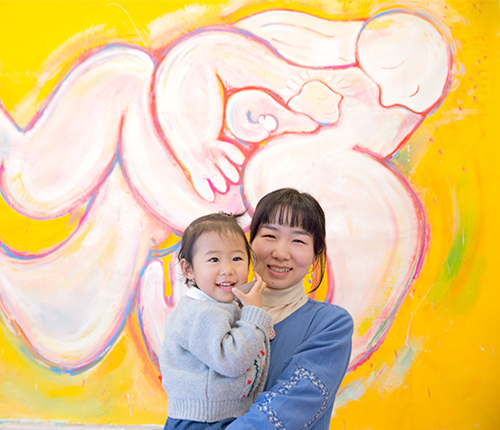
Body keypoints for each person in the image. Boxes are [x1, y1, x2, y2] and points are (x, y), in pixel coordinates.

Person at [227, 188, 354, 429]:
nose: (280, 253)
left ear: (316, 254)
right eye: (270, 236)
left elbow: (288, 407)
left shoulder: (330, 325)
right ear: (250, 242)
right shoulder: (218, 310)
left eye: (298, 240)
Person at [160, 213, 271, 429]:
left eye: (237, 259)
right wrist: (255, 314)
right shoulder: (199, 313)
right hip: (202, 422)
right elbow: (232, 360)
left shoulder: (224, 306)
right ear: (188, 269)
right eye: (214, 260)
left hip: (223, 416)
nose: (227, 269)